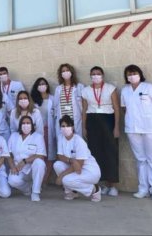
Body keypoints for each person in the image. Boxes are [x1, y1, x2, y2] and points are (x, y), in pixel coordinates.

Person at [82, 66, 120, 196]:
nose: (96, 76)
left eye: (98, 74)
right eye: (93, 74)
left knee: (111, 152)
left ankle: (113, 185)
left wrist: (116, 127)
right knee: (96, 153)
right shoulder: (86, 91)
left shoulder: (110, 88)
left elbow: (116, 108)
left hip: (108, 120)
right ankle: (102, 184)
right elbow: (84, 110)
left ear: (102, 75)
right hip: (92, 122)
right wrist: (84, 127)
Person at [121, 64, 152, 199]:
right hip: (132, 128)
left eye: (134, 73)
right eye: (129, 74)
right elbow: (124, 108)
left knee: (151, 158)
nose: (132, 76)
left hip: (148, 127)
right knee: (140, 159)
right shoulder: (125, 90)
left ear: (139, 74)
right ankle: (143, 188)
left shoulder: (148, 87)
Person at [53, 115, 101, 202]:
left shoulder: (78, 140)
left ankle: (94, 189)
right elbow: (60, 156)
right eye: (63, 126)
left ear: (72, 127)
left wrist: (61, 176)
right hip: (75, 167)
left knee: (66, 180)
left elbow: (79, 166)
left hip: (89, 171)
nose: (65, 128)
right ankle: (71, 192)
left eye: (68, 125)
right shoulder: (61, 138)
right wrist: (71, 160)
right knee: (57, 164)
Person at [7, 116, 46, 201]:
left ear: (32, 125)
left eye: (28, 123)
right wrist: (12, 166)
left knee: (39, 162)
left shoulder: (38, 137)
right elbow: (8, 154)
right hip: (18, 168)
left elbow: (41, 155)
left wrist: (25, 161)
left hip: (32, 169)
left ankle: (35, 192)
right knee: (12, 181)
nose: (26, 125)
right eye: (23, 123)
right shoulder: (14, 136)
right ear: (20, 125)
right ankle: (28, 189)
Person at [30, 77, 56, 184]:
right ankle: (37, 179)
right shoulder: (33, 100)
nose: (42, 86)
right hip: (37, 131)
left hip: (50, 130)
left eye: (44, 84)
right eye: (39, 84)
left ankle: (45, 179)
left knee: (50, 155)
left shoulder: (52, 98)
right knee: (39, 154)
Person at [53, 63, 84, 138]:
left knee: (77, 141)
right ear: (61, 74)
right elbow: (55, 105)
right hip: (63, 121)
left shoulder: (79, 87)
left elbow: (83, 105)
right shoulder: (58, 89)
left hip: (75, 121)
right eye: (63, 71)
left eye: (67, 70)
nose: (65, 72)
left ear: (71, 72)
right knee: (63, 142)